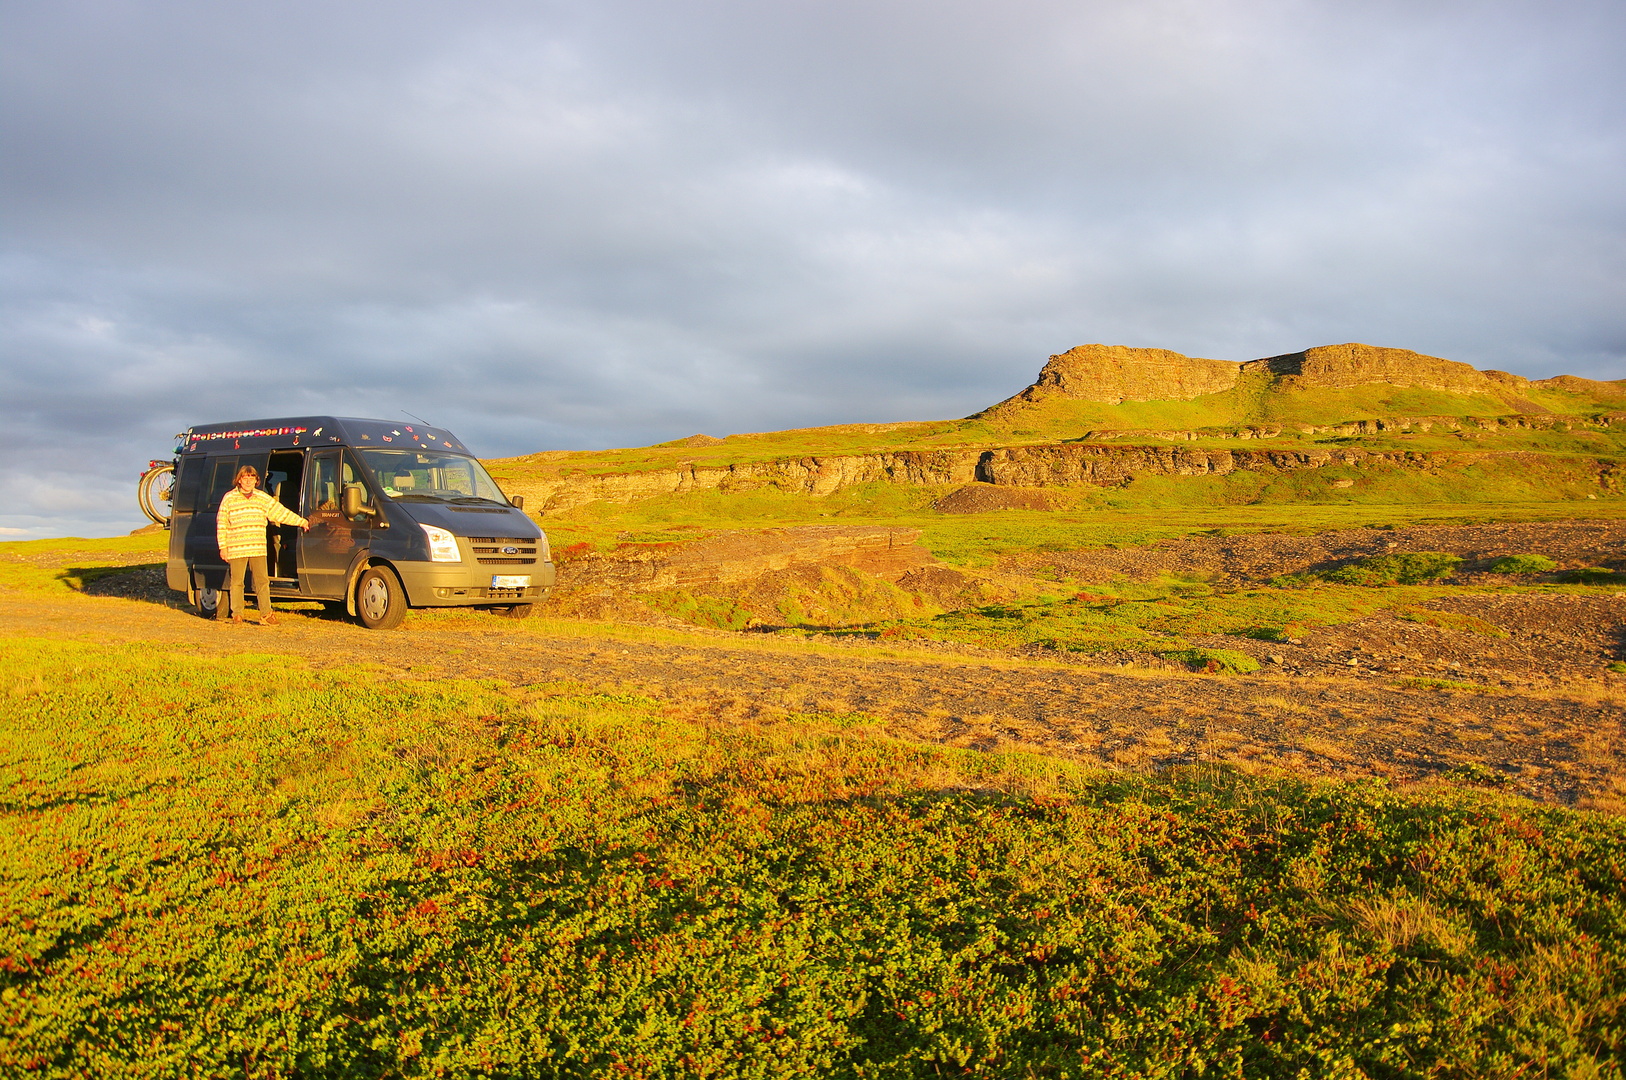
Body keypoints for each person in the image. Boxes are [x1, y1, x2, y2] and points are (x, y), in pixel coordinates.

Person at [216, 464, 309, 625]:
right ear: (239, 480)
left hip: (257, 547)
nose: (248, 481)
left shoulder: (262, 498)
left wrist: (301, 522)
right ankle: (237, 614)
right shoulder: (229, 498)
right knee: (237, 581)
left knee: (262, 581)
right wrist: (223, 547)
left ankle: (266, 614)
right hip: (236, 547)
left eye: (251, 478)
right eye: (245, 478)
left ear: (256, 480)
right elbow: (221, 523)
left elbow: (281, 512)